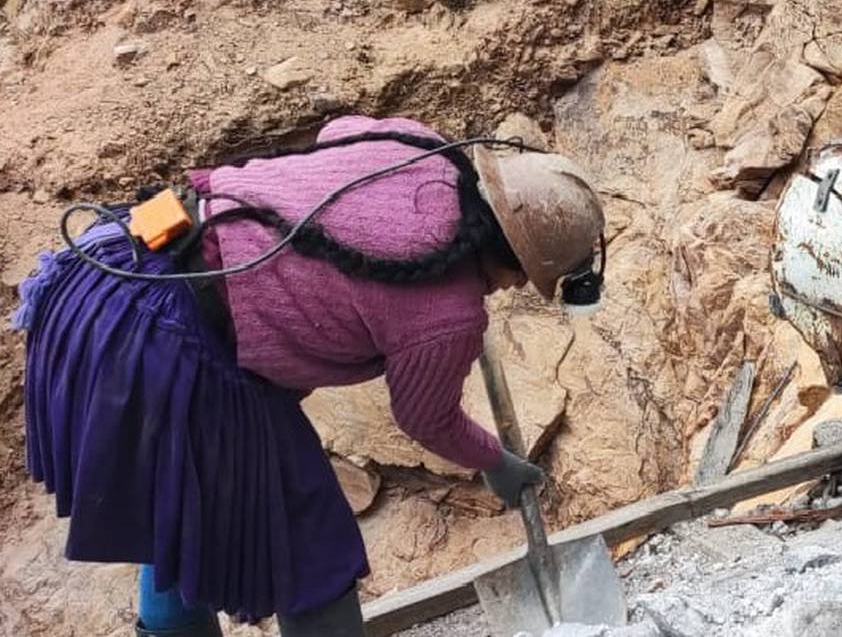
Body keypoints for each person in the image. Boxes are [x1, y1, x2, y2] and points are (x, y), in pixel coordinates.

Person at [11, 115, 606, 636]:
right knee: (311, 552)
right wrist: (494, 460)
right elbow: (426, 418)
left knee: (179, 496)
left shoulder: (415, 144)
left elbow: (338, 131)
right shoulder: (446, 318)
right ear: (517, 267)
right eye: (523, 279)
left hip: (109, 271)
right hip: (168, 349)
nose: (513, 289)